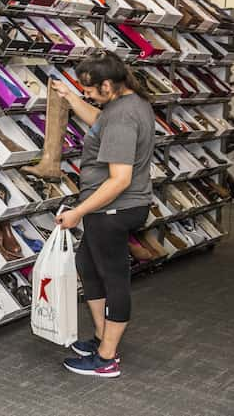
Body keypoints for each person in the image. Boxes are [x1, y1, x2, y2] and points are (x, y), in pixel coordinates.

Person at [53, 51, 154, 378]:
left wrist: (78, 212)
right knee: (88, 264)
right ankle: (100, 338)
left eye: (91, 89)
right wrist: (69, 97)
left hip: (114, 208)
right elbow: (100, 122)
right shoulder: (123, 105)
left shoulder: (124, 117)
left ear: (108, 85)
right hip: (111, 207)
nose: (87, 94)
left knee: (114, 278)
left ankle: (107, 357)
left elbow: (120, 179)